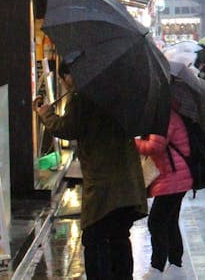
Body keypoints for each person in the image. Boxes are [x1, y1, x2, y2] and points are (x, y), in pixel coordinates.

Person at [35, 64, 147, 279]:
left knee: (95, 239)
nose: (65, 83)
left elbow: (66, 129)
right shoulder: (120, 94)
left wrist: (46, 113)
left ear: (69, 76)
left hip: (104, 186)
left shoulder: (83, 98)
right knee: (119, 236)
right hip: (128, 183)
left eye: (64, 78)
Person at [134, 103, 193, 276]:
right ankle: (175, 263)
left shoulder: (165, 117)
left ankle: (158, 266)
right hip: (174, 175)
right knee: (169, 221)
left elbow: (155, 146)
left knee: (157, 221)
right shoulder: (165, 115)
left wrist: (133, 143)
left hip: (173, 177)